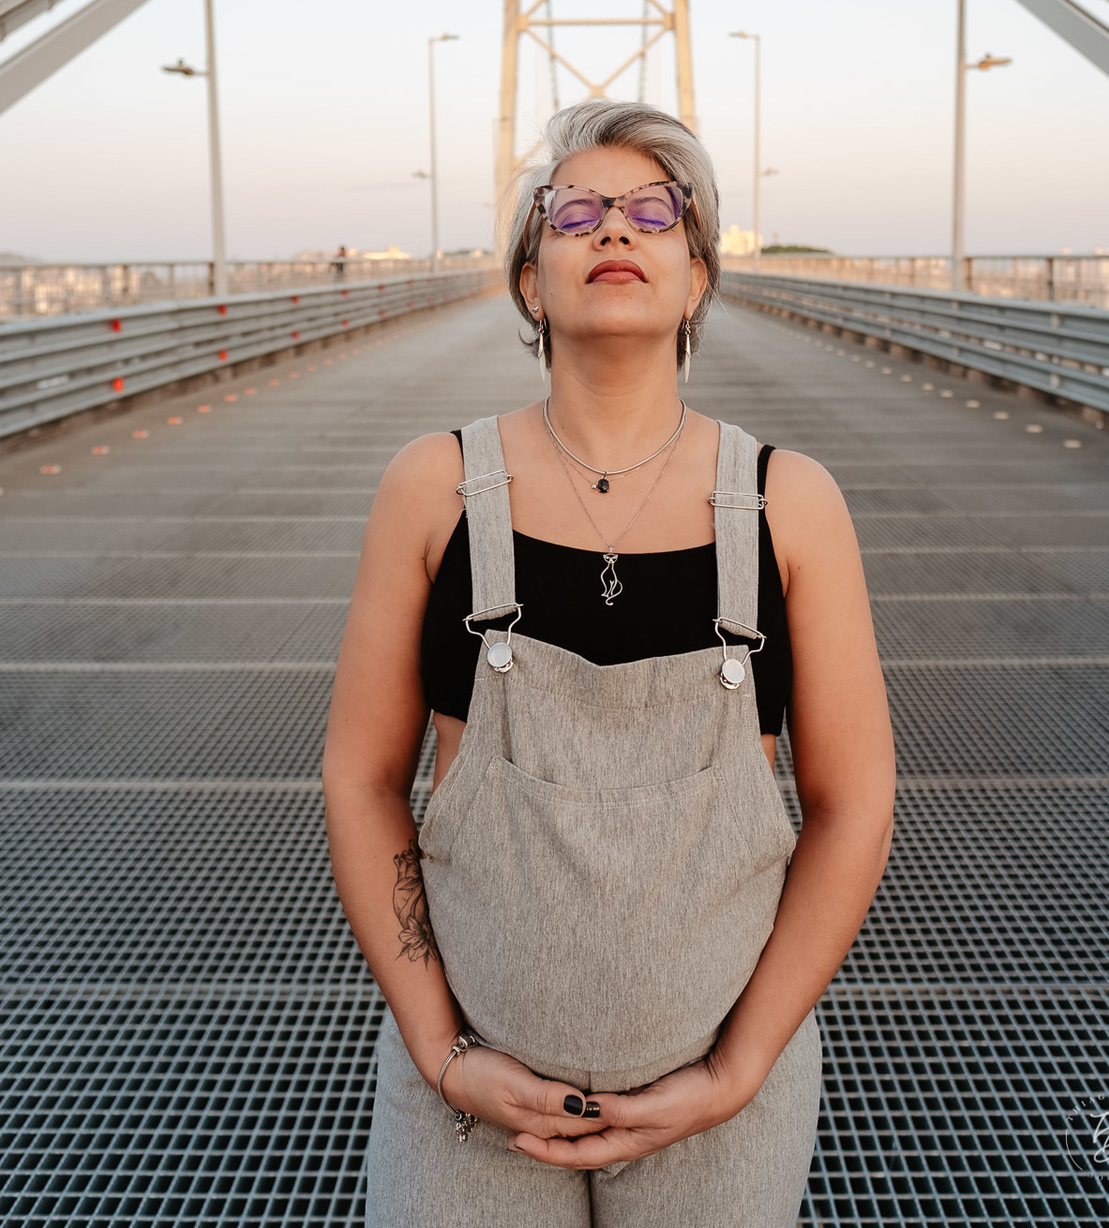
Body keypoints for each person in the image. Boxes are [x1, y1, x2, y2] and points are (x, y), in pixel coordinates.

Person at [323, 98, 895, 1227]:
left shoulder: (792, 505)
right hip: (469, 1103)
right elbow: (358, 780)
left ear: (696, 275)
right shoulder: (431, 490)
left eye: (653, 211)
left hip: (724, 1107)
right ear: (531, 279)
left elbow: (854, 804)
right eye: (576, 209)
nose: (615, 231)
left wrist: (737, 1074)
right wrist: (441, 1053)